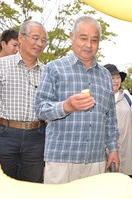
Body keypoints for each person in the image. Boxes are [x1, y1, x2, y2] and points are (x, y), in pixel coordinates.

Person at [35, 16, 119, 184]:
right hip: (61, 159)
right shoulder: (54, 68)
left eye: (94, 40)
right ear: (71, 37)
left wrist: (113, 149)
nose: (89, 45)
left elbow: (110, 117)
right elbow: (40, 109)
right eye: (83, 38)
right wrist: (67, 106)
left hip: (95, 159)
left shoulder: (105, 75)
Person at [0, 21, 47, 182]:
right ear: (21, 38)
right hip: (4, 135)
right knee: (1, 185)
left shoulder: (47, 72)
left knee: (33, 186)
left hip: (37, 137)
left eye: (44, 40)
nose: (39, 44)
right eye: (36, 38)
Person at [104, 64, 132, 199]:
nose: (116, 80)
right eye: (111, 77)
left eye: (117, 77)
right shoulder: (97, 97)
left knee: (130, 185)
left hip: (125, 148)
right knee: (108, 185)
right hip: (104, 150)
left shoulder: (127, 97)